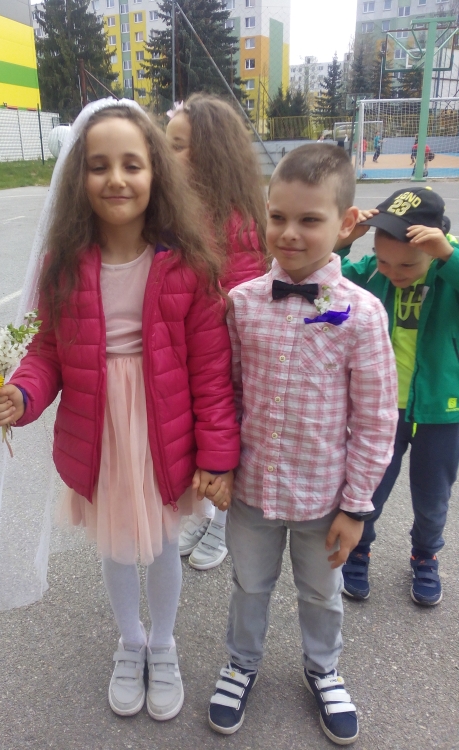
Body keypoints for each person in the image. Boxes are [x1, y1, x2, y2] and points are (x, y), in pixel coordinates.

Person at [0, 98, 240, 722]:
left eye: (132, 164)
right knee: (117, 545)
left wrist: (217, 458)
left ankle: (164, 643)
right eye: (98, 166)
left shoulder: (188, 263)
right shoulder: (64, 265)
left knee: (164, 542)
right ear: (79, 178)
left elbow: (211, 373)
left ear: (156, 171)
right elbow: (48, 350)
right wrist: (23, 394)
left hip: (163, 427)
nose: (116, 179)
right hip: (100, 427)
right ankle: (131, 641)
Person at [207, 144, 398, 744]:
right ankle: (241, 663)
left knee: (321, 591)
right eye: (278, 216)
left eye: (310, 219)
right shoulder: (241, 304)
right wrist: (219, 464)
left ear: (345, 223)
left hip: (324, 496)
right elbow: (228, 392)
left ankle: (323, 668)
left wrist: (356, 506)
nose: (289, 233)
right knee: (249, 584)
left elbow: (375, 419)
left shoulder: (362, 314)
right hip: (253, 491)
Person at [335, 187, 459, 607]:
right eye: (384, 260)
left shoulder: (448, 268)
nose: (393, 272)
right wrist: (344, 241)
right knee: (369, 487)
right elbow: (329, 282)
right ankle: (359, 549)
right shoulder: (375, 271)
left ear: (435, 250)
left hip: (441, 411)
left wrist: (449, 257)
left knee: (432, 497)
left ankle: (425, 554)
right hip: (383, 410)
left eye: (407, 264)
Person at [166, 94, 267, 571]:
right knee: (196, 433)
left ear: (210, 153)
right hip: (191, 348)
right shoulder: (177, 211)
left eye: (178, 146)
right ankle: (202, 512)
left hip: (227, 354)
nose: (167, 156)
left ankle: (223, 521)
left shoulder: (237, 220)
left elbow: (240, 298)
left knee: (226, 435)